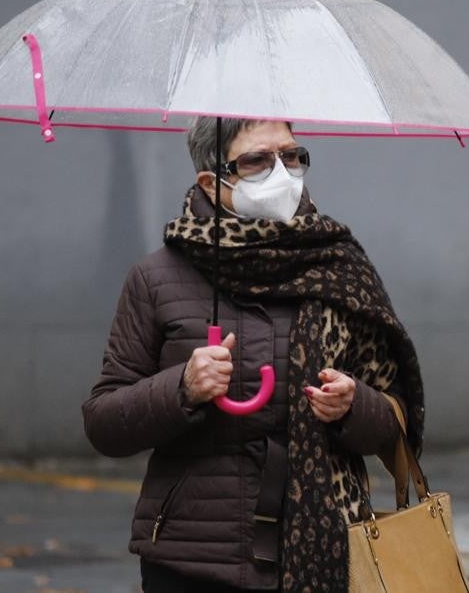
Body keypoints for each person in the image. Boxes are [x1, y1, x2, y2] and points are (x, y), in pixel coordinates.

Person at [82, 117, 424, 591]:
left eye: (290, 155)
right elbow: (103, 423)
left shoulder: (340, 269)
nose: (281, 173)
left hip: (325, 555)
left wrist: (354, 405)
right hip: (194, 562)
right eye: (257, 161)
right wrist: (182, 388)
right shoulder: (157, 278)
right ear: (211, 181)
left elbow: (396, 419)